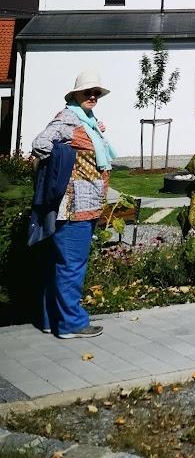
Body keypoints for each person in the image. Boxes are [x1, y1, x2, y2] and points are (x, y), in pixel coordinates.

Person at [31, 71, 117, 338]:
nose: (92, 96)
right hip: (74, 206)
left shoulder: (87, 120)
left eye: (96, 93)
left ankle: (50, 320)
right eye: (87, 92)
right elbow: (41, 144)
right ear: (76, 95)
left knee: (60, 263)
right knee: (72, 265)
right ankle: (72, 324)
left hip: (86, 203)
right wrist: (64, 164)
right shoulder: (68, 118)